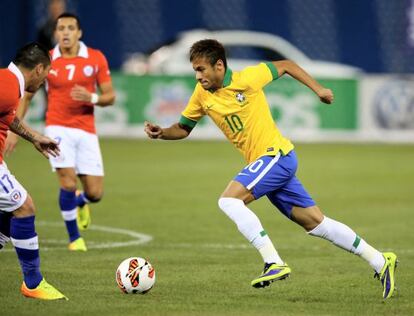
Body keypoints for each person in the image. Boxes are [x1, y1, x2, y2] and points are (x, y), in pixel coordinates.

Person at [144, 39, 398, 299]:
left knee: (229, 201)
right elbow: (184, 128)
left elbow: (286, 65)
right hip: (268, 164)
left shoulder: (248, 78)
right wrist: (162, 132)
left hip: (276, 155)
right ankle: (380, 261)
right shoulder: (202, 96)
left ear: (219, 65)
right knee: (317, 224)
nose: (198, 76)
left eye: (201, 69)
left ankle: (273, 262)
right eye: (195, 71)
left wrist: (318, 89)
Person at [5, 13, 116, 252]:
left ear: (79, 33)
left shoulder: (96, 58)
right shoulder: (47, 60)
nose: (65, 32)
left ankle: (80, 201)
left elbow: (110, 97)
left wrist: (92, 97)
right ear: (56, 34)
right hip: (57, 127)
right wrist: (15, 131)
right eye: (61, 28)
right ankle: (74, 238)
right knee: (67, 181)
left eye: (70, 28)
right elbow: (27, 95)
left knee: (95, 193)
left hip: (86, 130)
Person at [0, 42, 67, 300]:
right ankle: (33, 283)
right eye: (46, 74)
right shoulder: (7, 86)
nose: (45, 82)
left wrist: (34, 137)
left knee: (9, 211)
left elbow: (7, 117)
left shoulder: (9, 84)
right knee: (24, 207)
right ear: (38, 69)